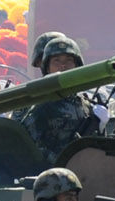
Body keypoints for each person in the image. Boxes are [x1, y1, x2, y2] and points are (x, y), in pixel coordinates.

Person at [18, 35, 101, 165]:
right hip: (52, 173)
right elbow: (29, 146)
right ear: (47, 68)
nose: (63, 66)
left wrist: (101, 125)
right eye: (56, 61)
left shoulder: (85, 105)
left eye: (69, 61)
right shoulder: (42, 106)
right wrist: (63, 162)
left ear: (77, 65)